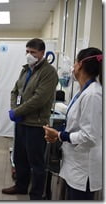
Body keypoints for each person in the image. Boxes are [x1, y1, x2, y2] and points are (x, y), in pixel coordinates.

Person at [1, 38, 58, 200]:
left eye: (33, 52)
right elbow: (15, 91)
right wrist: (14, 110)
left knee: (36, 163)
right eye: (27, 51)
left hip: (36, 124)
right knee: (20, 158)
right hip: (22, 122)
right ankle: (21, 186)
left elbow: (39, 98)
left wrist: (17, 111)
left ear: (42, 53)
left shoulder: (49, 72)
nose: (29, 55)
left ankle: (36, 195)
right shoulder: (26, 69)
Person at [43, 47, 102, 200]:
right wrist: (57, 135)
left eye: (75, 62)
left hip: (83, 170)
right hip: (74, 164)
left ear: (80, 65)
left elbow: (89, 136)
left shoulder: (93, 94)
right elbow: (76, 125)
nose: (73, 67)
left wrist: (60, 135)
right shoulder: (82, 91)